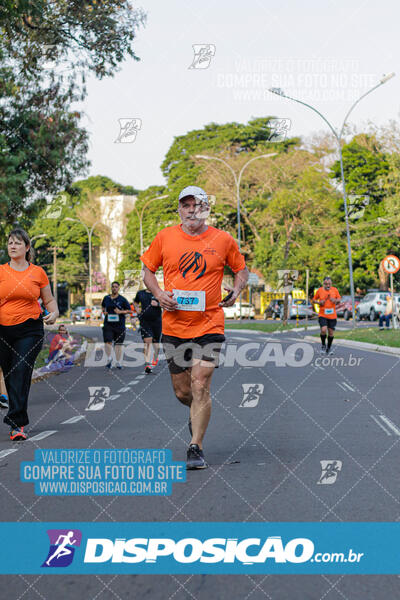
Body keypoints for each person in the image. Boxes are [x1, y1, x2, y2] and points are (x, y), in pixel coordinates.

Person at [141, 185, 248, 469]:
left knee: (201, 383)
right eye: (186, 205)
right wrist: (159, 294)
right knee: (183, 392)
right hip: (174, 325)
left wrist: (236, 291)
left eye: (197, 205)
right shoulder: (165, 238)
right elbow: (148, 271)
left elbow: (241, 269)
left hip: (210, 322)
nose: (191, 210)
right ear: (179, 209)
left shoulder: (223, 239)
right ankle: (196, 415)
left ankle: (195, 446)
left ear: (205, 209)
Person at [0, 228, 58, 440]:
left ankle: (17, 424)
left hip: (30, 329)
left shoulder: (37, 273)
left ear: (26, 247)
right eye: (10, 243)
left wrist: (54, 312)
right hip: (3, 329)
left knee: (20, 371)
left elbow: (49, 300)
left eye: (17, 243)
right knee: (9, 374)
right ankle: (17, 417)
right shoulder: (0, 271)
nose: (12, 246)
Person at [101, 281, 131, 369]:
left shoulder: (122, 299)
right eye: (113, 287)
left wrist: (120, 312)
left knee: (118, 344)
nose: (114, 288)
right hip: (108, 324)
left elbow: (129, 310)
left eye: (116, 287)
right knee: (108, 341)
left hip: (120, 325)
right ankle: (109, 358)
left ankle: (118, 361)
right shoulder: (106, 298)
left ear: (118, 288)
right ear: (111, 288)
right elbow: (103, 306)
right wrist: (104, 311)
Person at [134, 283, 162, 374]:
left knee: (156, 343)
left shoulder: (159, 293)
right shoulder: (140, 293)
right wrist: (137, 309)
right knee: (147, 341)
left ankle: (154, 360)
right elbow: (135, 302)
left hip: (157, 321)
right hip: (145, 321)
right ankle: (148, 363)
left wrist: (158, 304)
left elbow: (166, 304)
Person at [313, 277, 341, 355]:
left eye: (329, 284)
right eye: (326, 284)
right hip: (322, 314)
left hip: (332, 316)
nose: (328, 285)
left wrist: (335, 300)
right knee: (323, 329)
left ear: (331, 284)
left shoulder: (335, 290)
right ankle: (323, 346)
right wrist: (319, 302)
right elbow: (314, 300)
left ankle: (328, 348)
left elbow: (339, 299)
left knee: (331, 333)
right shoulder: (320, 290)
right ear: (323, 284)